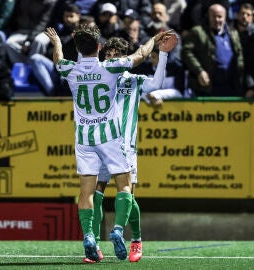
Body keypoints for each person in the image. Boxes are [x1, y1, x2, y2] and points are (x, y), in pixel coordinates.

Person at [45, 24, 173, 262]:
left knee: (86, 192)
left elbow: (58, 60)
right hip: (110, 137)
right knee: (123, 187)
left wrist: (57, 43)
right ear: (100, 48)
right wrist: (154, 40)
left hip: (84, 139)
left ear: (79, 47)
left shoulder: (71, 69)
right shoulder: (109, 68)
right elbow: (141, 54)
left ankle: (90, 237)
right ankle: (117, 231)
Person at [83, 34, 178, 264]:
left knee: (128, 194)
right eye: (108, 54)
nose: (110, 58)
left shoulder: (132, 80)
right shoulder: (99, 78)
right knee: (96, 192)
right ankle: (94, 243)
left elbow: (156, 84)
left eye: (115, 55)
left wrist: (163, 54)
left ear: (125, 58)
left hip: (125, 145)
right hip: (102, 142)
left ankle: (135, 238)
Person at [181, 2, 244, 97]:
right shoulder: (198, 32)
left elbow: (239, 55)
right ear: (208, 16)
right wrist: (199, 71)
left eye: (219, 16)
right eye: (213, 16)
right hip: (207, 88)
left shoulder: (234, 34)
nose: (216, 19)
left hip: (231, 87)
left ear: (225, 17)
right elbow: (186, 52)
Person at [233, 3, 254, 98]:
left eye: (248, 15)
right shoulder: (229, 31)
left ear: (252, 18)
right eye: (242, 13)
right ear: (237, 15)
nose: (244, 17)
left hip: (249, 76)